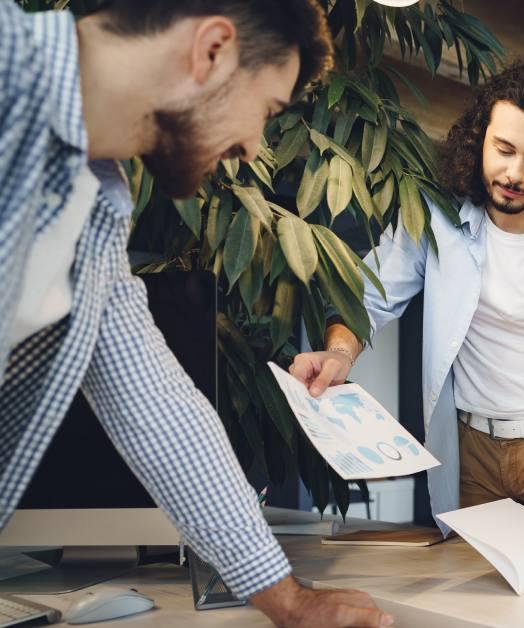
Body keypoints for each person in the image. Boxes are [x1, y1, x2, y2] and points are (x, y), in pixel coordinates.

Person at [0, 2, 391, 625]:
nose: (251, 147)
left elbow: (156, 406)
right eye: (264, 112)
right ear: (211, 48)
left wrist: (286, 600)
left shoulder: (96, 205)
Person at [288, 64, 524, 548]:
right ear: (480, 138)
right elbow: (367, 296)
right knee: (477, 607)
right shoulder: (437, 215)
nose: (515, 173)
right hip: (470, 450)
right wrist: (339, 354)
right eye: (504, 150)